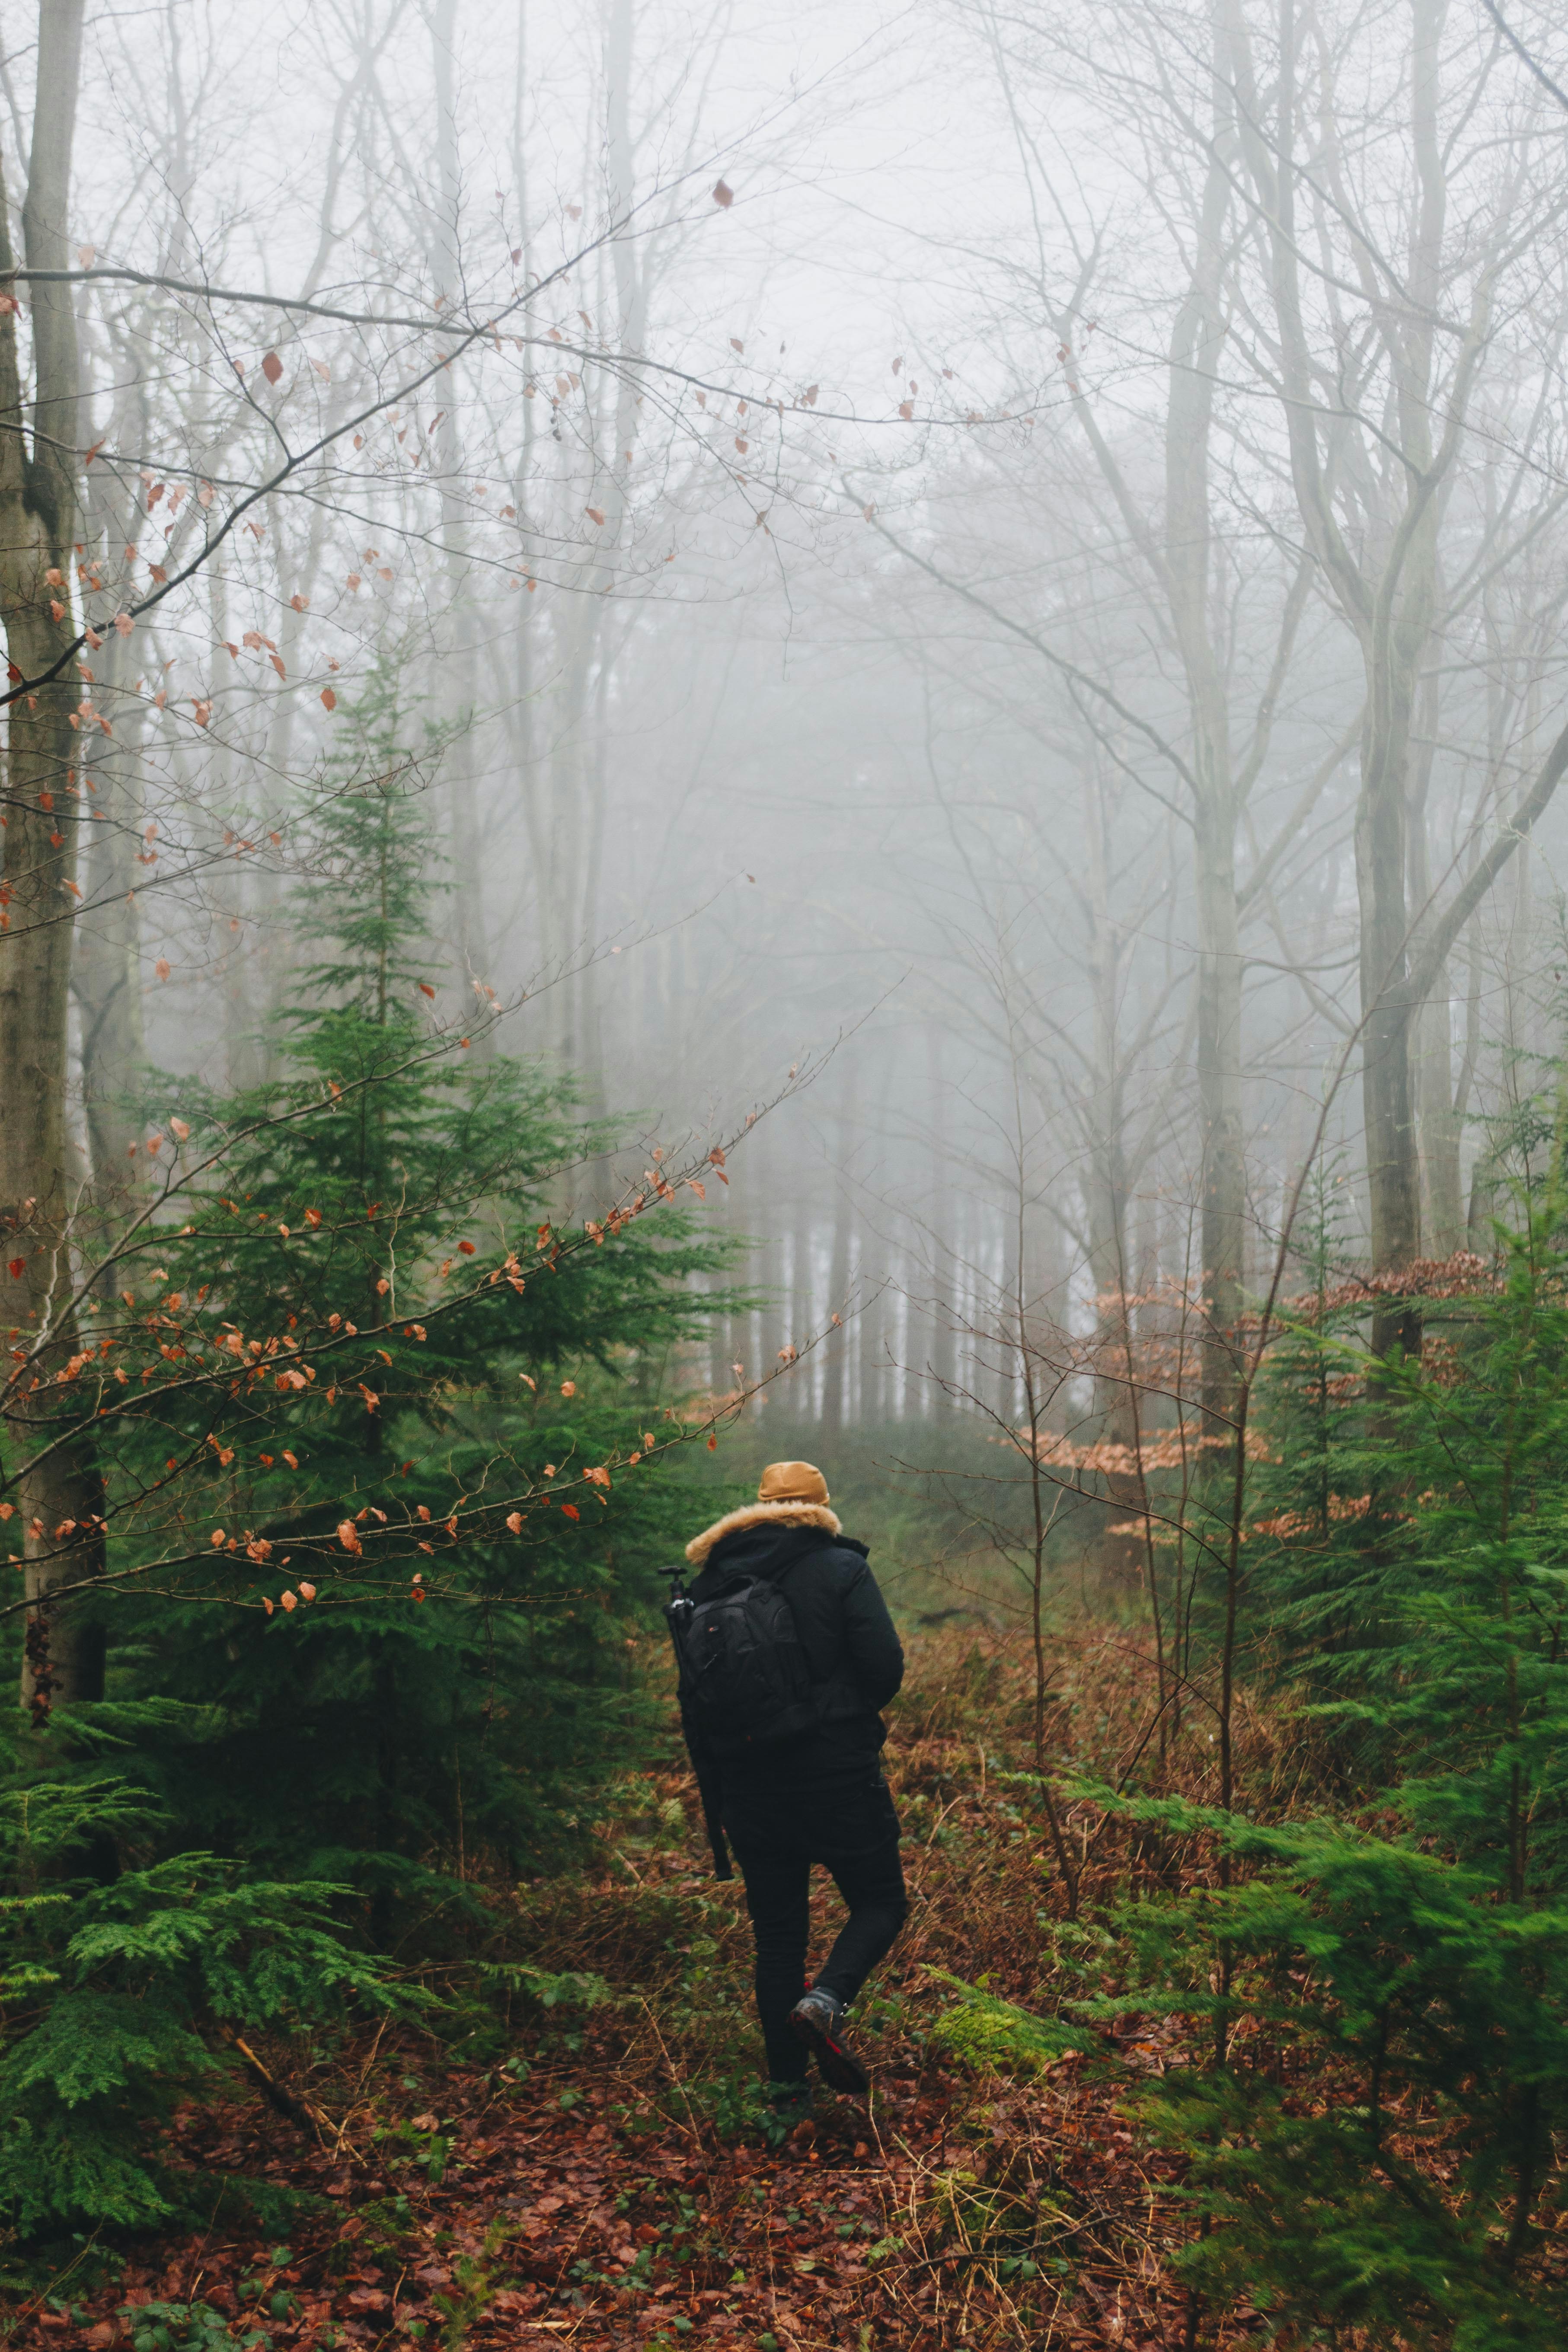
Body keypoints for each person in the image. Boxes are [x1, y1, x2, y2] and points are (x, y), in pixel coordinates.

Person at [674, 1460, 907, 2108]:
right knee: (882, 1900)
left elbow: (695, 1700)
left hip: (749, 1786)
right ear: (822, 1506)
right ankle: (826, 2000)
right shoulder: (841, 1568)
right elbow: (885, 1667)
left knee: (778, 1936)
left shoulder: (708, 1583)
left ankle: (786, 2095)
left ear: (759, 1506)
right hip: (838, 1778)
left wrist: (718, 1799)